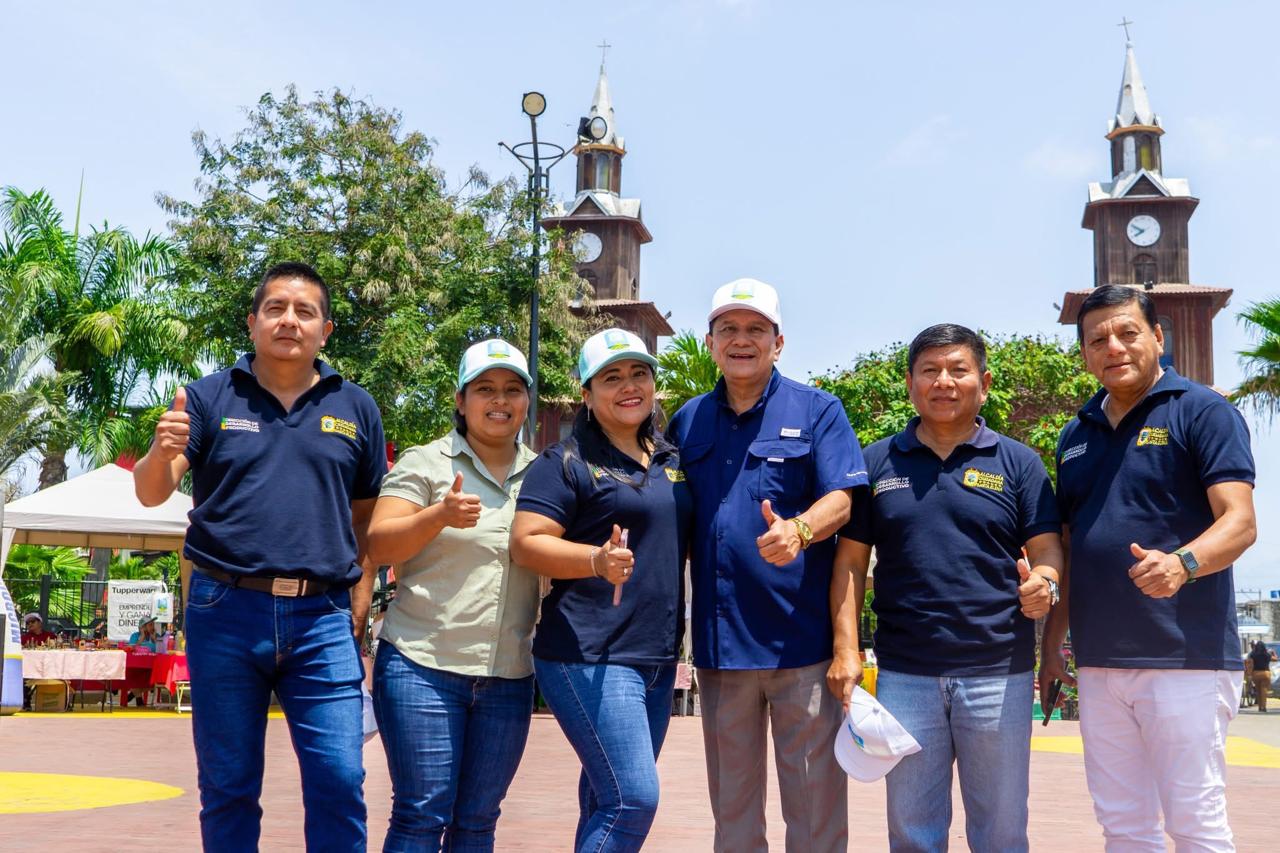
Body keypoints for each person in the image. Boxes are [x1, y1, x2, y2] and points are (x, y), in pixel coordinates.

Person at [133, 261, 387, 851]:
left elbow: (366, 518)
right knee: (228, 785)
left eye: (305, 311)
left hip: (322, 617)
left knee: (340, 779)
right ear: (252, 323)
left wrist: (359, 598)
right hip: (224, 610)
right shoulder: (208, 396)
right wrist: (160, 451)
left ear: (325, 329)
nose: (289, 321)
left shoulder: (357, 407)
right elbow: (151, 492)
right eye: (275, 308)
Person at [1041, 284, 1257, 851]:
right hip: (1098, 664)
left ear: (1158, 337)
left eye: (1128, 332)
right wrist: (1053, 646)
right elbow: (1069, 545)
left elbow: (1240, 522)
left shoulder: (1203, 410)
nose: (1113, 347)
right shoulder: (1075, 435)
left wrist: (1183, 564)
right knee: (1123, 825)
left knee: (1195, 822)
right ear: (1084, 353)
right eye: (1097, 340)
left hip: (1185, 659)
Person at [837, 323, 1063, 852]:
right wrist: (846, 650)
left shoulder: (1019, 463)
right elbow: (849, 564)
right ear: (910, 383)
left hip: (998, 673)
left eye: (958, 370)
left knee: (1002, 831)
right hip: (904, 675)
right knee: (912, 831)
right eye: (930, 370)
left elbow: (1048, 550)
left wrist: (1046, 584)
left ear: (984, 383)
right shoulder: (875, 463)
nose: (944, 381)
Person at [666, 279, 867, 852]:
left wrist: (800, 529)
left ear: (778, 343)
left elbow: (843, 499)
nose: (741, 340)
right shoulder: (687, 422)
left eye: (756, 329)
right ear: (710, 342)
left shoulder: (818, 410)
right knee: (733, 817)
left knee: (815, 812)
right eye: (728, 328)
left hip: (799, 647)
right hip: (722, 649)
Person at [510, 328, 692, 853]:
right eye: (611, 378)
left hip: (656, 656)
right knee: (632, 799)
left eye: (639, 374)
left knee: (603, 798)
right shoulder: (564, 462)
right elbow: (526, 543)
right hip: (588, 653)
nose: (629, 386)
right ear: (587, 395)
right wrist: (595, 560)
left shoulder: (672, 460)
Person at [367, 339, 540, 852]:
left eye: (513, 389)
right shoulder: (426, 462)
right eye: (485, 389)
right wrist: (437, 516)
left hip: (508, 676)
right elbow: (378, 545)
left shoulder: (546, 472)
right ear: (461, 400)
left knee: (479, 821)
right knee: (421, 814)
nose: (500, 400)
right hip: (423, 666)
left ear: (527, 401)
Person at [1248, 640, 1272, 713]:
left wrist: (1250, 674)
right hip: (1266, 673)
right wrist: (1273, 653)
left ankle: (1260, 707)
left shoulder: (1253, 655)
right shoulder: (1267, 655)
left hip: (1256, 673)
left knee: (1258, 691)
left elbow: (1251, 665)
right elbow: (1275, 658)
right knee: (1264, 690)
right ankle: (1263, 707)